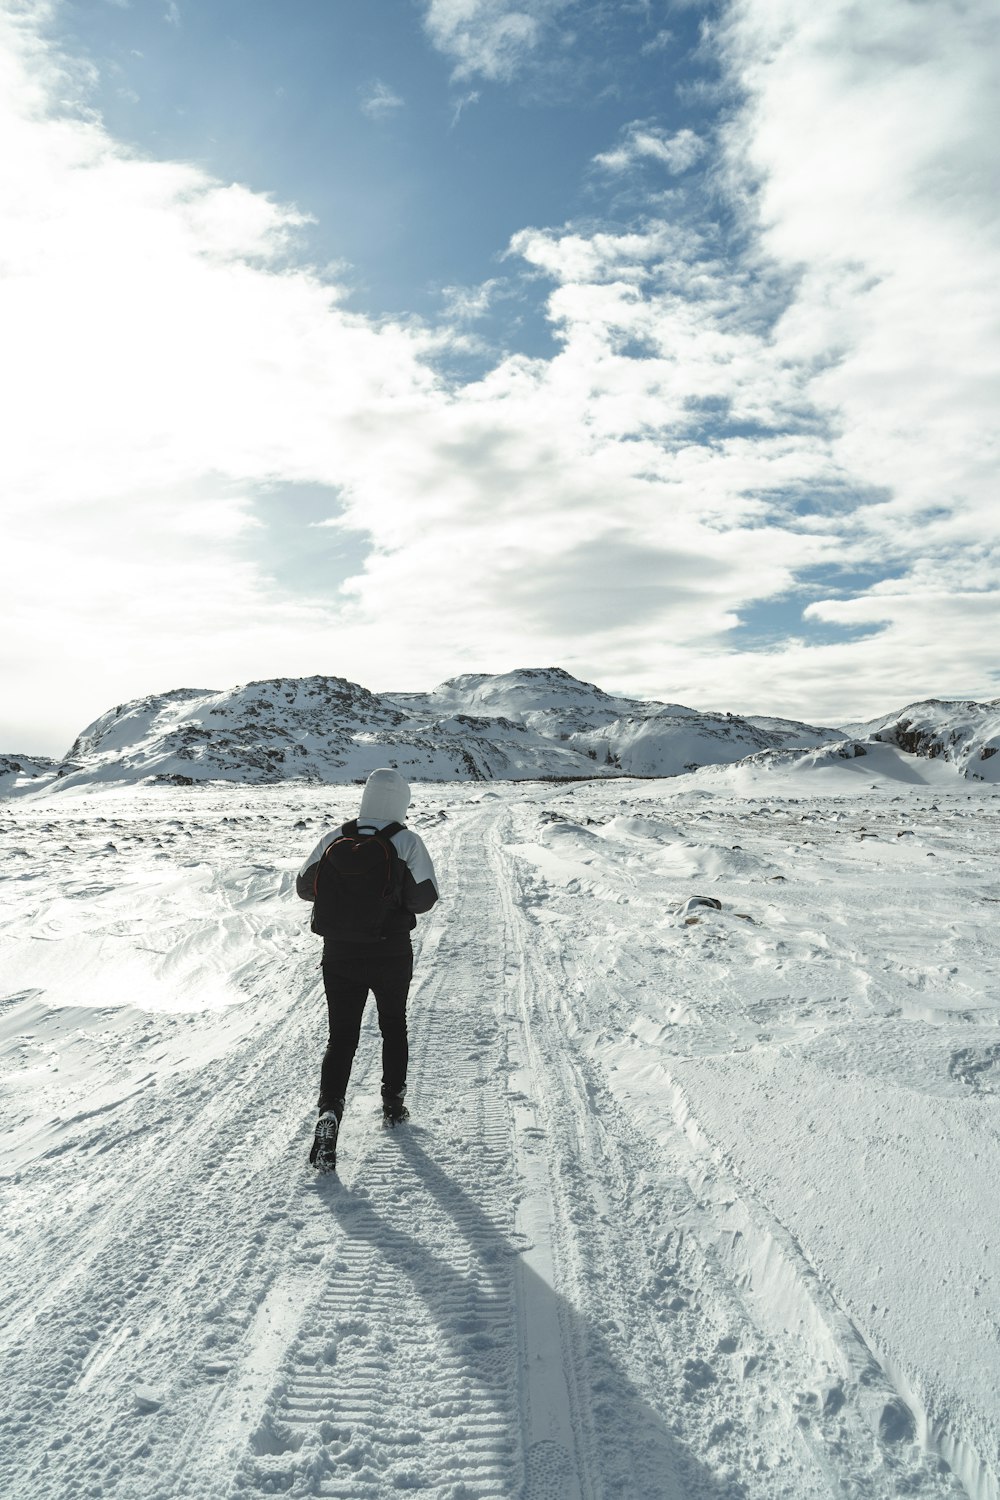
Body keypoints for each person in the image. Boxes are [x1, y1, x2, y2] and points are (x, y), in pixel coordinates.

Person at [296, 768, 439, 1171]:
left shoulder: (333, 837)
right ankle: (393, 1103)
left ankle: (329, 1113)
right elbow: (424, 898)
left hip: (339, 954)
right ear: (402, 801)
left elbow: (304, 887)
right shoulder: (407, 841)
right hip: (390, 952)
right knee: (393, 1025)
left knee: (341, 1037)